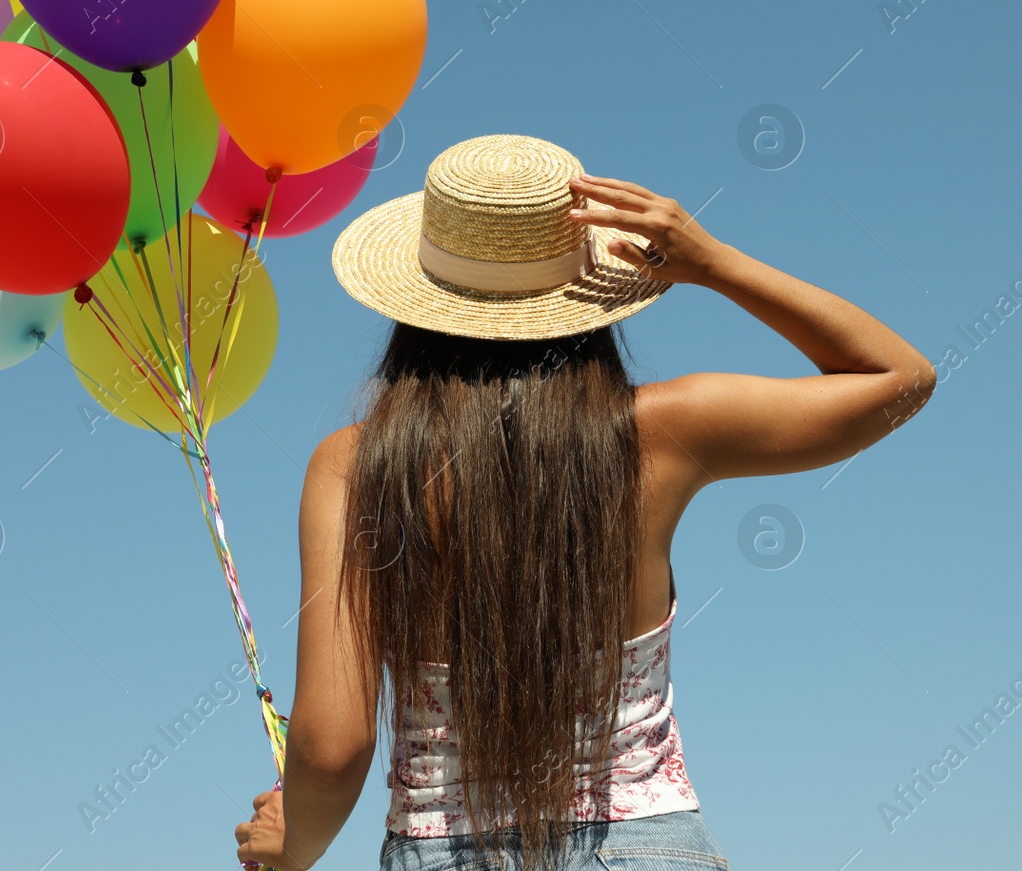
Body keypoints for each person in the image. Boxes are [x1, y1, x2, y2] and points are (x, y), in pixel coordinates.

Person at [235, 134, 936, 870]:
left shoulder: (355, 466)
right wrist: (711, 262)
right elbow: (900, 378)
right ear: (585, 292)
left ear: (417, 298)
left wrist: (296, 843)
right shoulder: (665, 431)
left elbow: (332, 744)